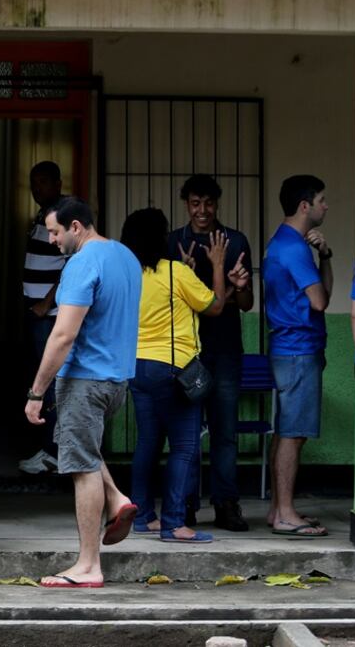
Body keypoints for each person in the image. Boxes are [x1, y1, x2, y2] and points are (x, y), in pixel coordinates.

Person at [24, 197, 141, 588]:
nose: (52, 241)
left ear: (77, 227)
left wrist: (36, 390)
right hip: (117, 380)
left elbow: (63, 334)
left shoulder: (81, 263)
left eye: (55, 232)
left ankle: (89, 564)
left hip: (85, 379)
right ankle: (118, 499)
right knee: (83, 448)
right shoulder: (124, 256)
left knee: (80, 468)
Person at [123, 208, 234, 544]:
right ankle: (174, 523)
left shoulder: (127, 274)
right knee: (184, 446)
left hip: (137, 368)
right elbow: (214, 306)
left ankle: (142, 516)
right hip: (172, 369)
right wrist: (217, 264)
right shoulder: (174, 272)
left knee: (146, 443)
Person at [167, 175, 254, 531]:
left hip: (226, 349)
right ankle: (185, 506)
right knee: (186, 434)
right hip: (187, 352)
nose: (202, 211)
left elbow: (247, 303)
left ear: (217, 204)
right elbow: (171, 301)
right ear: (186, 204)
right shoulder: (174, 243)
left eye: (208, 203)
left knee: (225, 431)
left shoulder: (235, 241)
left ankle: (226, 504)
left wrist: (240, 288)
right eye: (195, 203)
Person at [263, 175, 332, 537]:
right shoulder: (292, 248)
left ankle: (279, 510)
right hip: (298, 350)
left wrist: (325, 256)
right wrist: (318, 259)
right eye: (321, 200)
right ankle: (287, 514)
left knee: (287, 432)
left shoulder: (285, 243)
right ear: (304, 205)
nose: (326, 206)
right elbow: (321, 301)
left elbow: (321, 297)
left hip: (289, 347)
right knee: (293, 433)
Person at [18, 161, 68, 474]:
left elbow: (70, 266)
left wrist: (45, 303)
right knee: (45, 377)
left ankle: (53, 451)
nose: (38, 189)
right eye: (34, 183)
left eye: (44, 182)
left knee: (50, 381)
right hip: (40, 313)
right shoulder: (43, 214)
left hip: (49, 314)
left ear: (58, 183)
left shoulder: (63, 214)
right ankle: (50, 449)